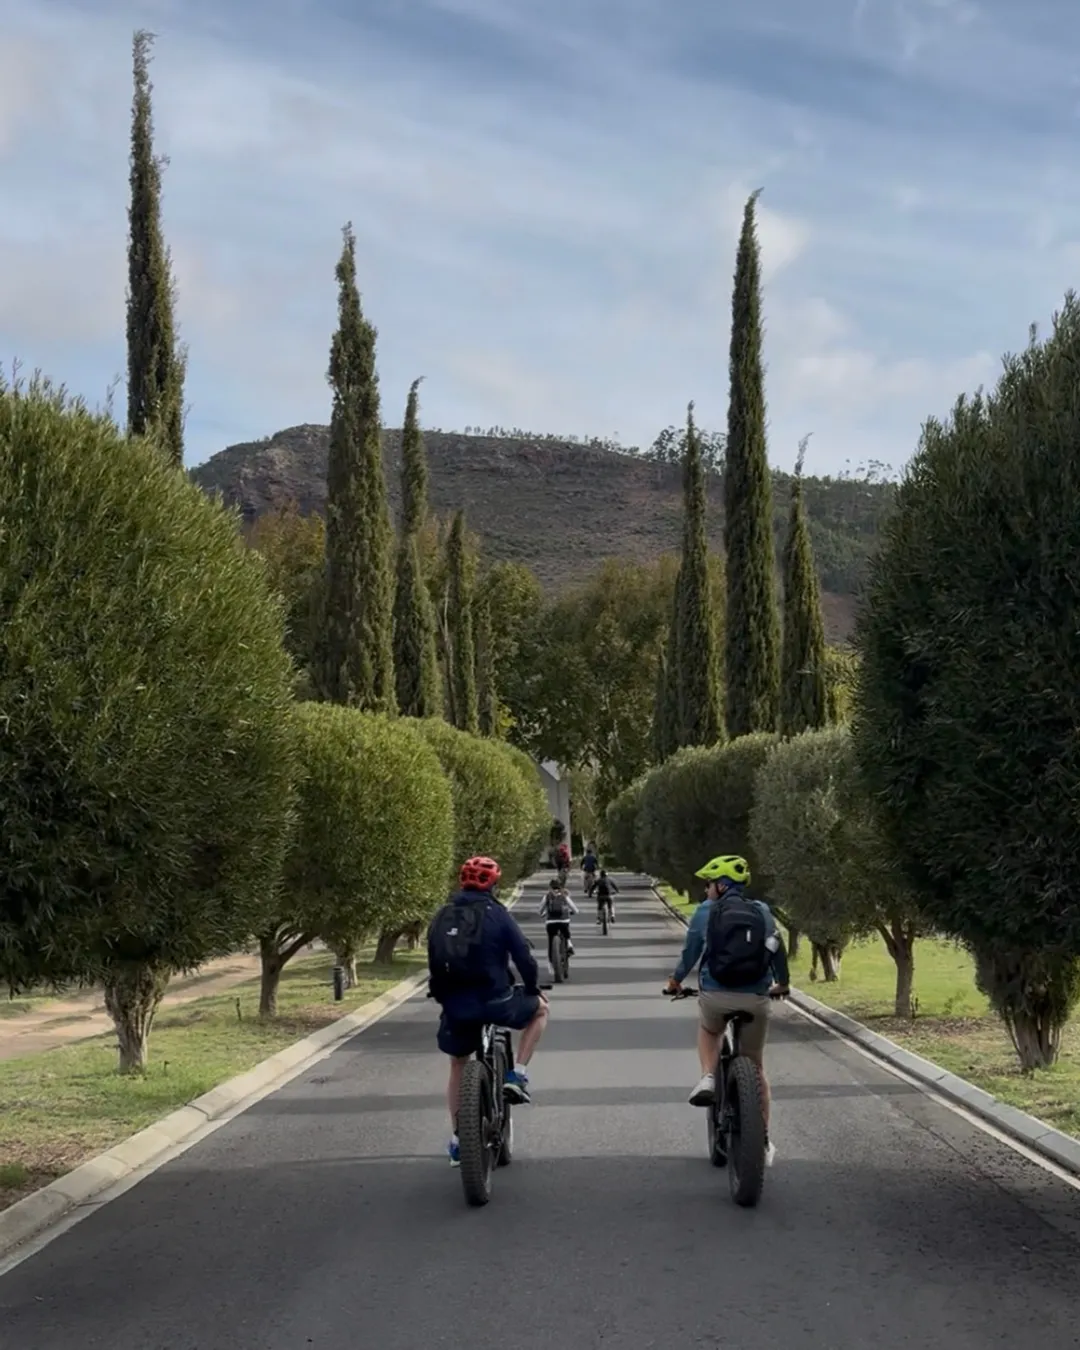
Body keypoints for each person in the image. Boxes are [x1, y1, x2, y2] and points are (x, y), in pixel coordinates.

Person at [664, 854, 790, 1165]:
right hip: (756, 998)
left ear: (721, 886)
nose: (706, 890)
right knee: (757, 1069)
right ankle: (762, 1142)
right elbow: (776, 947)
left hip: (716, 996)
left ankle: (708, 1076)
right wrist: (782, 985)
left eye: (708, 884)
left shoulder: (706, 911)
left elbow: (691, 950)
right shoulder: (761, 911)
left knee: (709, 1030)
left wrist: (676, 981)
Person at [427, 855, 549, 1167]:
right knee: (540, 1012)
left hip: (456, 1005)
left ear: (461, 881)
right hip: (496, 1000)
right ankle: (517, 1074)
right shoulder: (498, 914)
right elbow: (524, 957)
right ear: (494, 884)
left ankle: (458, 1139)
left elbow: (433, 961)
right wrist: (534, 990)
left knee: (457, 1065)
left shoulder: (442, 915)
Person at [539, 879, 577, 958]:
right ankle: (569, 944)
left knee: (551, 938)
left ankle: (550, 957)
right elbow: (575, 909)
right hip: (564, 921)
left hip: (551, 922)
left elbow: (540, 910)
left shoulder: (547, 896)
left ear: (550, 887)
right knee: (566, 933)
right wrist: (572, 912)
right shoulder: (564, 895)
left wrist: (542, 914)